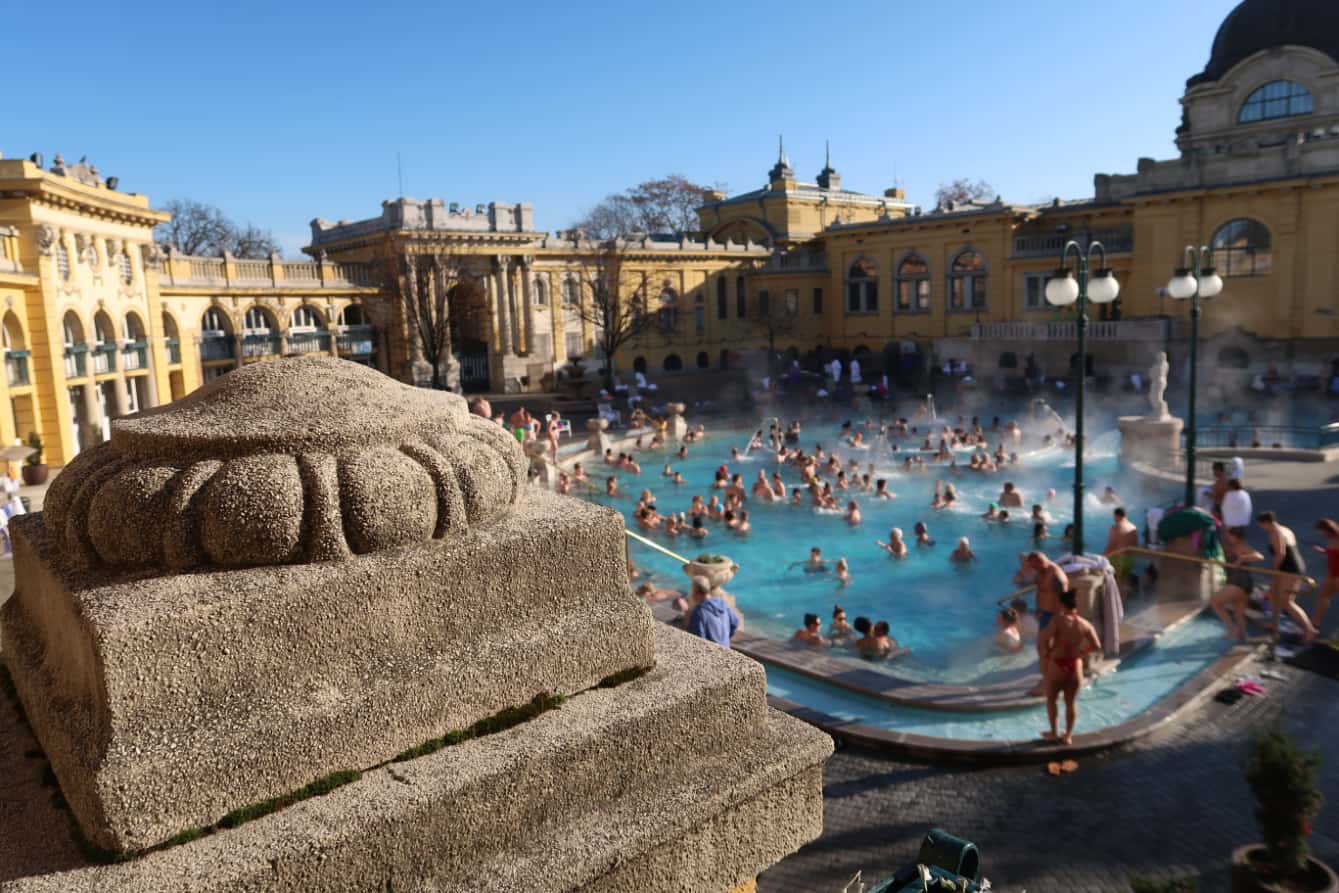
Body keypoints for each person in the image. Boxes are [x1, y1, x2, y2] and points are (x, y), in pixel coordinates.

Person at [1038, 589, 1102, 746]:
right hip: (1075, 665)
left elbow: (1044, 640)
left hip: (1057, 665)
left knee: (1051, 700)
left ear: (1061, 604)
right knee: (1070, 702)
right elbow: (1096, 645)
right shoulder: (1085, 624)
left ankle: (1053, 733)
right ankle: (1068, 736)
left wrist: (1046, 654)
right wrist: (1081, 652)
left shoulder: (1057, 620)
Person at [1258, 511, 1317, 642]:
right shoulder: (1286, 529)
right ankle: (1274, 624)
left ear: (1266, 522)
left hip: (1289, 569)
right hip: (1292, 566)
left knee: (1287, 601)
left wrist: (1273, 570)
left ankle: (1309, 629)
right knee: (1273, 594)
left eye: (1262, 525)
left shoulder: (1275, 533)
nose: (1262, 528)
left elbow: (1281, 554)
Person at [1212, 526, 1263, 641]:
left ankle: (1231, 629)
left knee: (1215, 602)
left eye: (1229, 535)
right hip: (1243, 583)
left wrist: (1242, 559)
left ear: (1235, 536)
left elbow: (1259, 556)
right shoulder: (1233, 547)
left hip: (1239, 582)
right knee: (1239, 614)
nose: (1227, 537)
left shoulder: (1242, 546)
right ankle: (1242, 639)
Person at [685, 576, 741, 649]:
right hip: (726, 648)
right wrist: (725, 638)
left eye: (692, 591)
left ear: (696, 593)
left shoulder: (699, 612)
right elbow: (735, 622)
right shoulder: (722, 603)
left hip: (712, 652)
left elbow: (697, 640)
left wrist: (687, 613)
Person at [1312, 518, 1339, 632]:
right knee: (1322, 595)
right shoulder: (1331, 539)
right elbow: (1333, 554)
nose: (1320, 534)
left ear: (1327, 529)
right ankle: (1315, 624)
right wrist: (1323, 551)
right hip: (1332, 575)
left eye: (1320, 531)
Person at [1104, 507, 1140, 589]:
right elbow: (1136, 545)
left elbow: (1111, 545)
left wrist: (1103, 557)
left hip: (1118, 560)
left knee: (1115, 583)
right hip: (1130, 559)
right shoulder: (1133, 527)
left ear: (1116, 515)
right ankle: (1126, 599)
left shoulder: (1116, 527)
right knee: (1124, 582)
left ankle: (1118, 601)